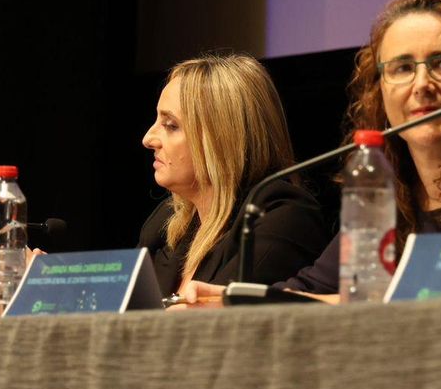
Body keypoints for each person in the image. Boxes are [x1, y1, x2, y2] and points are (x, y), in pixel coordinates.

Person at [178, 0, 441, 305]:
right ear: (380, 93)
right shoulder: (388, 195)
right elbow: (309, 289)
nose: (422, 84)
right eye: (402, 68)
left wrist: (333, 303)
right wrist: (236, 300)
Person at [138, 53, 331, 296]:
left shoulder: (279, 219)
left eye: (171, 125)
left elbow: (222, 325)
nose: (148, 139)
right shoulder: (166, 224)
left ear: (221, 139)